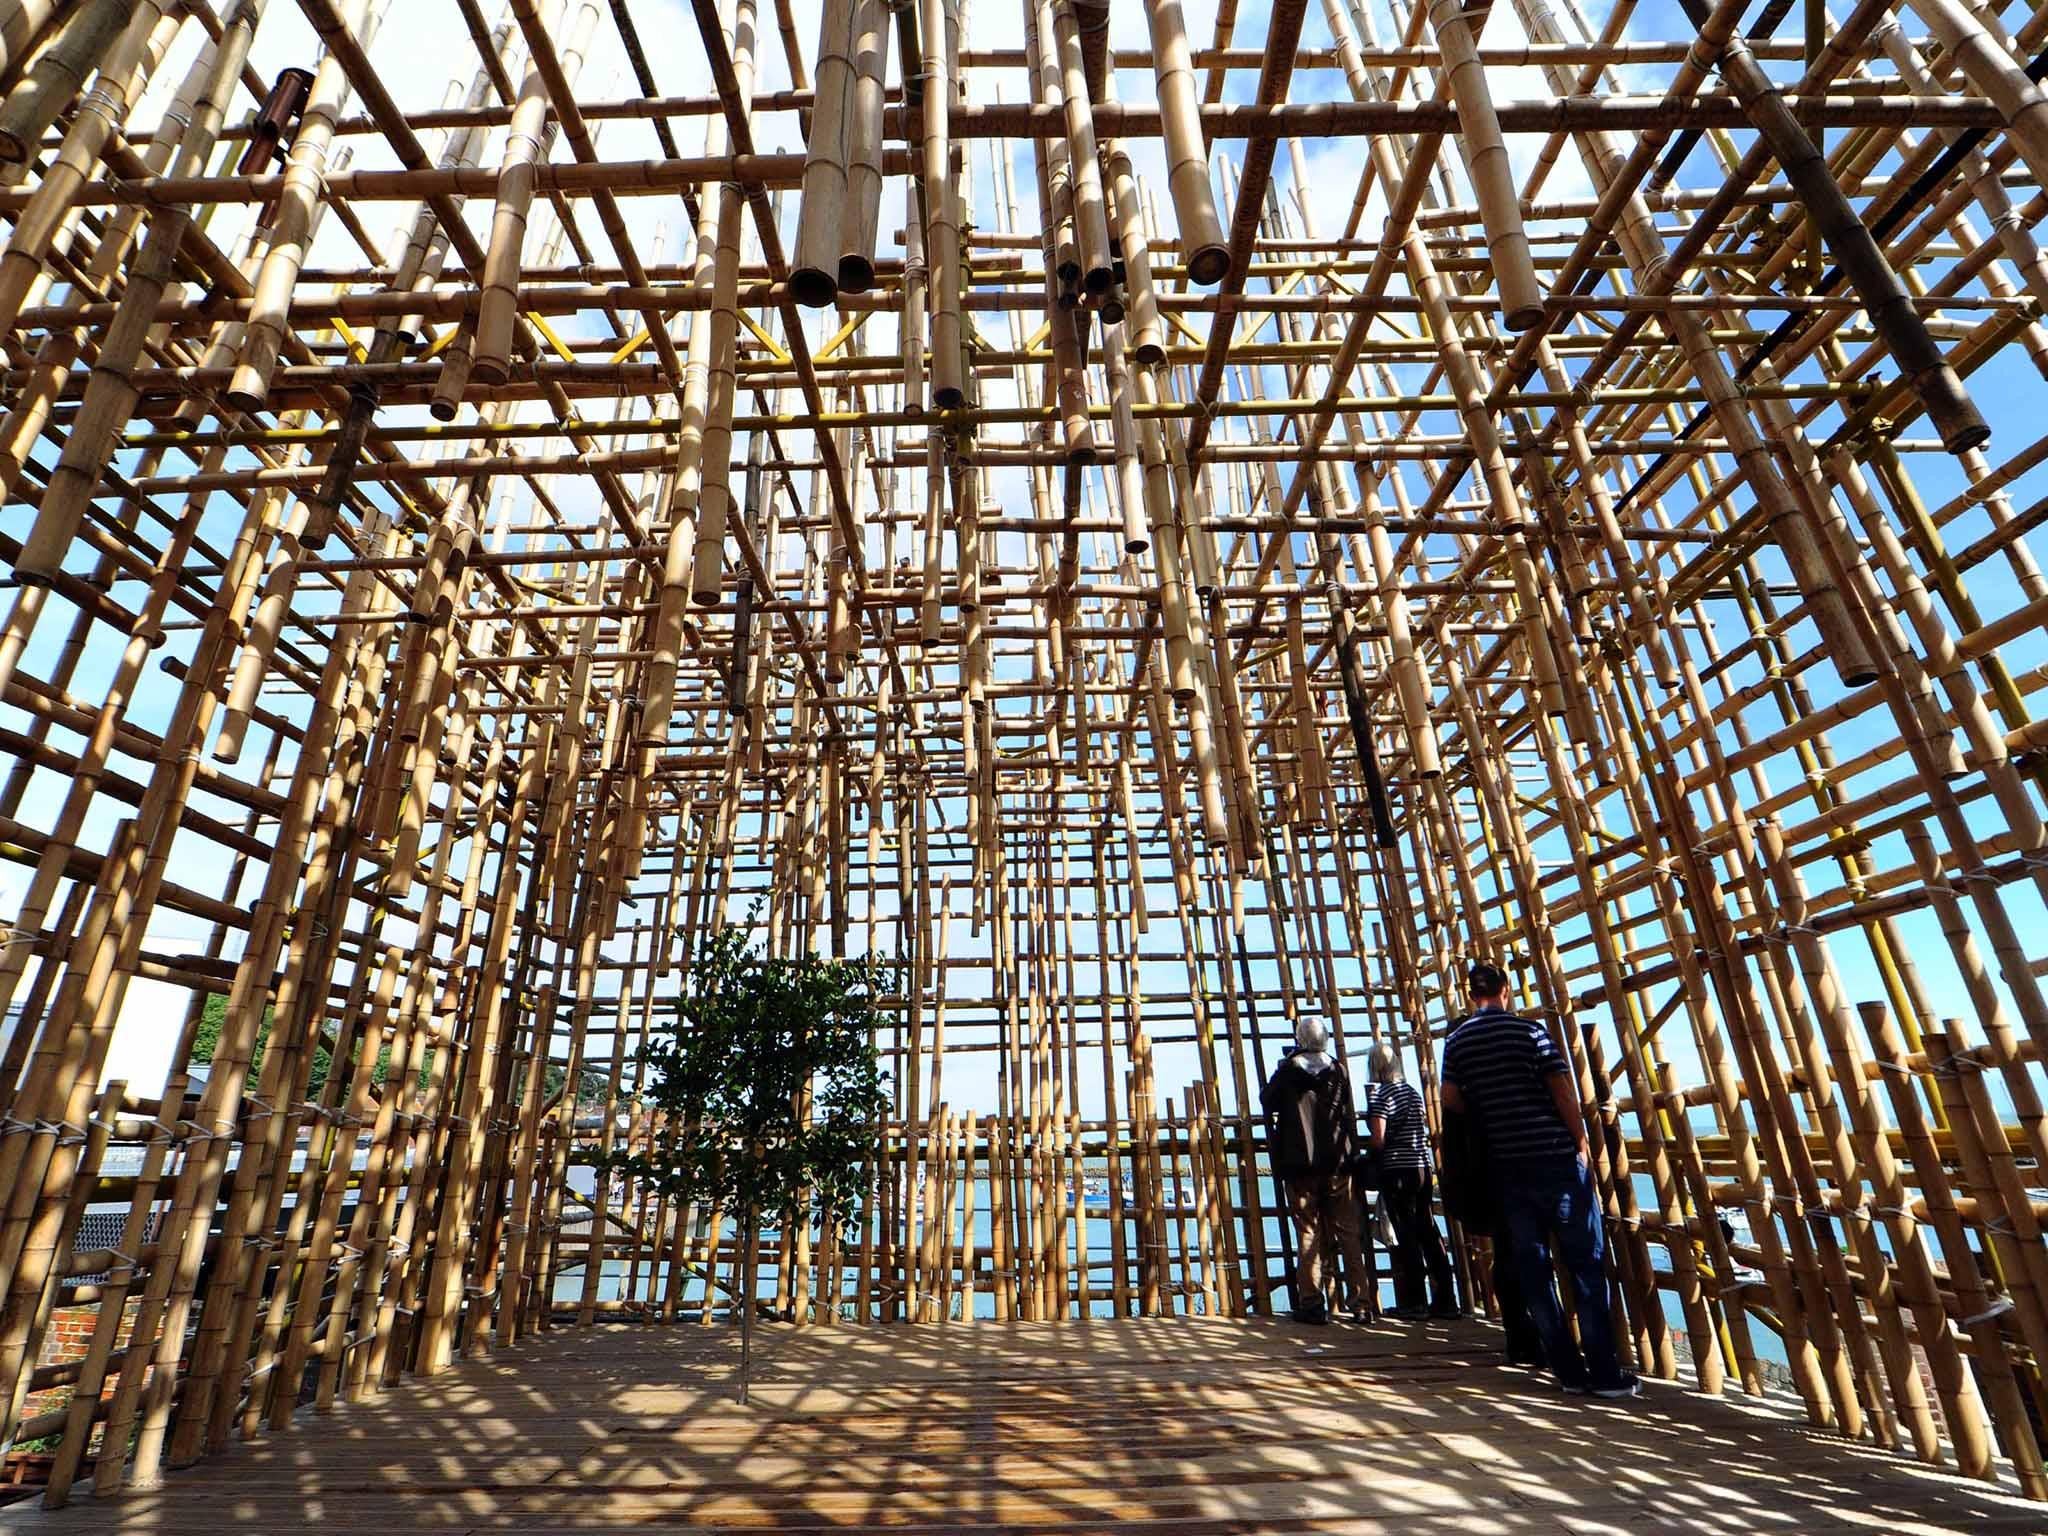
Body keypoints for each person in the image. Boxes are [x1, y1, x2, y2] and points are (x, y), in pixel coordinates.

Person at [1441, 962, 1638, 1398]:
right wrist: (1580, 1140)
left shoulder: (1457, 1043)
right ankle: (1605, 1373)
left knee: (1533, 1271)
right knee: (1585, 1266)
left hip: (1507, 1167)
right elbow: (1562, 1089)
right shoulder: (1529, 1033)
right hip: (1554, 1159)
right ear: (1506, 990)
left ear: (1472, 995)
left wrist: (1491, 1117)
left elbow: (1450, 1100)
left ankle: (1567, 1370)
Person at [1261, 1017, 1372, 1325]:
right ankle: (1361, 1303)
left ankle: (1311, 1303)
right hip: (1337, 1161)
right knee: (1348, 1233)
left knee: (1308, 1233)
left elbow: (1266, 1101)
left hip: (1301, 1164)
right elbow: (1348, 1113)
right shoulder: (1337, 1070)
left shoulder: (1288, 1071)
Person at [1365, 1041, 1458, 1320]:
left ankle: (1415, 1302)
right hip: (1421, 1168)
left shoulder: (1383, 1096)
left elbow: (1379, 1138)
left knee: (1406, 1236)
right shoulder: (1413, 1093)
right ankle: (1446, 1300)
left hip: (1398, 1171)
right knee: (1428, 1231)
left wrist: (1369, 1157)